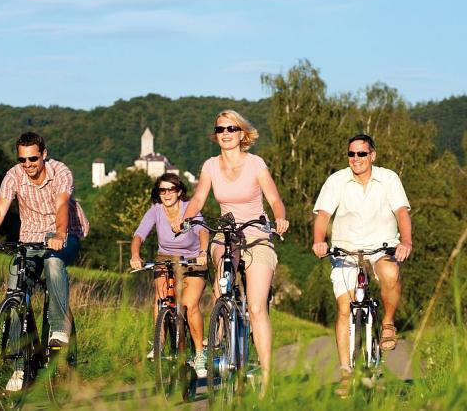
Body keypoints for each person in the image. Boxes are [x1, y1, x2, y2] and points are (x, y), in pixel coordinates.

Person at [172, 110, 289, 392]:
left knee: (257, 306)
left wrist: (280, 217)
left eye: (231, 128)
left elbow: (274, 198)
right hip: (226, 235)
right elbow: (199, 196)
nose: (225, 133)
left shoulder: (255, 163)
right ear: (216, 135)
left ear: (242, 134)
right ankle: (220, 336)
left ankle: (265, 377)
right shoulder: (210, 166)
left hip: (256, 236)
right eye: (220, 129)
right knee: (220, 287)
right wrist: (185, 217)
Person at [0, 131, 89, 391]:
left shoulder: (60, 172)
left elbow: (62, 205)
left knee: (53, 263)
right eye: (23, 160)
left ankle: (59, 330)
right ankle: (20, 368)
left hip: (63, 236)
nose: (28, 165)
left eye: (33, 159)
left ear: (44, 154)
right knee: (15, 291)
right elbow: (0, 208)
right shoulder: (14, 175)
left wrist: (59, 234)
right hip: (29, 240)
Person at [312, 133, 412, 395]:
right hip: (346, 250)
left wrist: (406, 242)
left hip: (381, 247)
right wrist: (319, 241)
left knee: (390, 272)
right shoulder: (336, 180)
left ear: (372, 155)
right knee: (344, 309)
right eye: (351, 154)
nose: (356, 159)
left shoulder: (388, 178)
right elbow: (323, 215)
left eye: (361, 154)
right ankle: (346, 374)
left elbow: (402, 212)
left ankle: (388, 323)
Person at [130, 173, 210, 378]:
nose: (166, 194)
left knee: (190, 304)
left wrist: (203, 252)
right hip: (165, 257)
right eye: (162, 190)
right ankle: (160, 342)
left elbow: (202, 231)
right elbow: (139, 234)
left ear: (179, 191)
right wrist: (135, 255)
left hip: (192, 259)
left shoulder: (189, 208)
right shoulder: (155, 211)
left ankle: (200, 353)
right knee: (161, 300)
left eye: (170, 189)